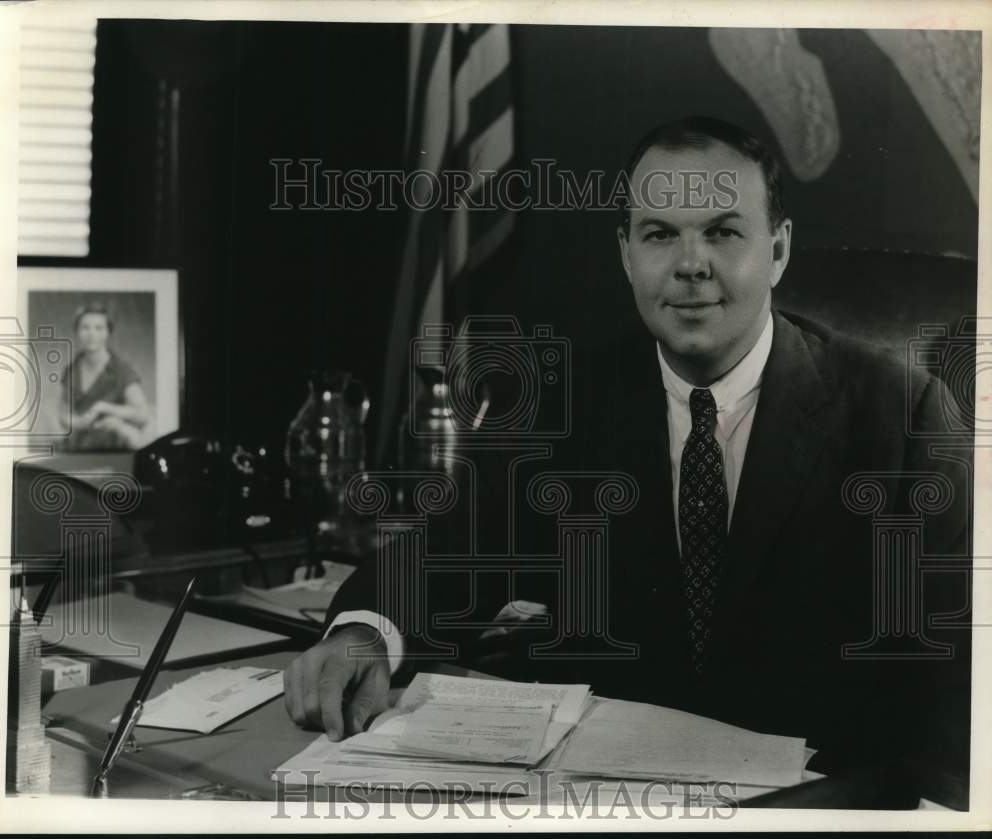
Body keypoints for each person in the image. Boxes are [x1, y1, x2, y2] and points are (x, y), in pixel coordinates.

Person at [283, 117, 971, 783]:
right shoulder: (566, 405)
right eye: (660, 234)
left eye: (723, 232)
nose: (691, 265)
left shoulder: (901, 417)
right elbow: (444, 555)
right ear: (626, 252)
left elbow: (955, 688)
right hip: (608, 793)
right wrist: (363, 632)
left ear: (779, 250)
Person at [58, 303, 152, 451]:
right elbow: (63, 416)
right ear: (77, 332)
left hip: (116, 444)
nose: (91, 334)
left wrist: (105, 408)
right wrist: (80, 423)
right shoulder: (72, 370)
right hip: (82, 444)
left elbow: (143, 415)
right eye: (85, 327)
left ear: (108, 333)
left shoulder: (121, 370)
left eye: (98, 328)